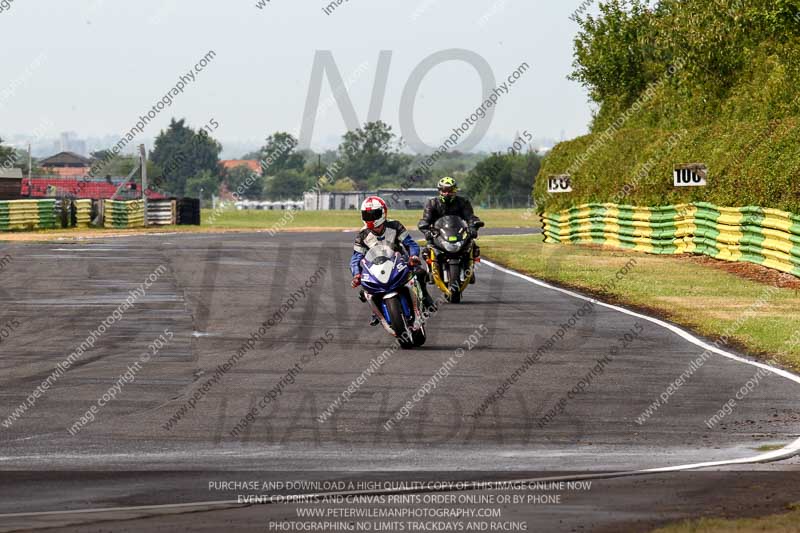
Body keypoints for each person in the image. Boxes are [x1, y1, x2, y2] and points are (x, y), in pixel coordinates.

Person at [350, 196, 434, 326]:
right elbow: (356, 258)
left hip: (399, 262)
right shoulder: (362, 235)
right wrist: (356, 274)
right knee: (365, 290)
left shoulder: (395, 225)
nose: (370, 218)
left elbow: (411, 244)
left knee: (420, 273)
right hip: (376, 267)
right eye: (366, 215)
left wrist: (414, 256)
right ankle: (376, 312)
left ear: (383, 213)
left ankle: (425, 299)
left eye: (373, 214)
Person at [418, 176, 484, 282]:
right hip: (438, 234)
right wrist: (426, 230)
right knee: (426, 249)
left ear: (455, 191)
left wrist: (473, 226)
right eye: (444, 190)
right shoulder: (432, 203)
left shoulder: (463, 202)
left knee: (473, 246)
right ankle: (431, 270)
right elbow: (425, 220)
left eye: (450, 190)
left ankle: (469, 269)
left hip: (458, 232)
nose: (447, 193)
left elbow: (470, 217)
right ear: (440, 191)